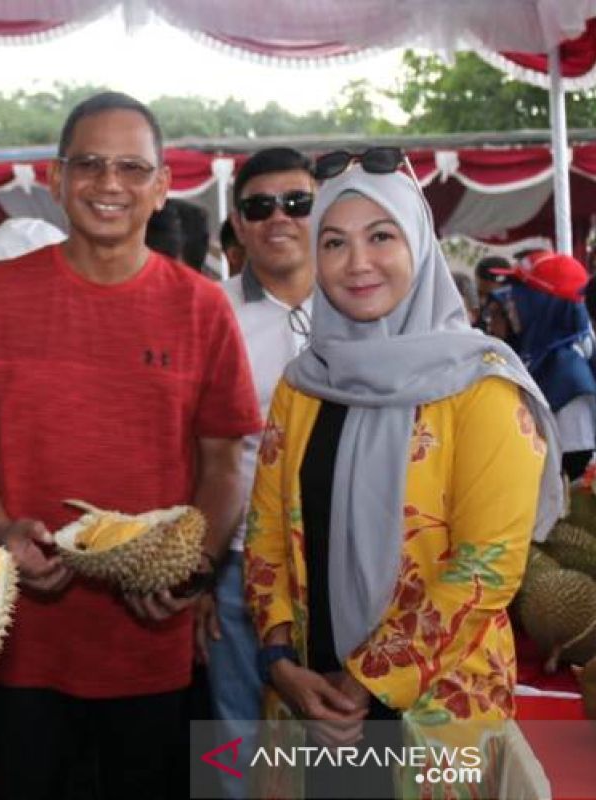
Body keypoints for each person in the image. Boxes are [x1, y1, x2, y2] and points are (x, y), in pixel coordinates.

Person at [0, 91, 261, 800]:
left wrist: (191, 568)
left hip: (149, 643)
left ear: (160, 186)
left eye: (129, 167)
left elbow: (225, 460)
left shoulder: (201, 306)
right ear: (55, 180)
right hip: (23, 637)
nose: (108, 185)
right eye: (87, 165)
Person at [244, 162, 563, 797]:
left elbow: (487, 568)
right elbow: (266, 539)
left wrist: (363, 680)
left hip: (439, 713)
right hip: (309, 704)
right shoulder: (303, 385)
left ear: (419, 243)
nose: (357, 262)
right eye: (334, 241)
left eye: (382, 236)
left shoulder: (484, 389)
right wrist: (281, 661)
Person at [211, 146, 316, 798]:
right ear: (240, 224)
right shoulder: (211, 311)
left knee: (347, 728)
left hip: (347, 560)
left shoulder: (363, 300)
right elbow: (191, 447)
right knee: (230, 730)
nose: (279, 217)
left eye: (297, 202)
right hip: (238, 561)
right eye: (259, 206)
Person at [498, 252, 596, 480]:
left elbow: (576, 465)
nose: (510, 305)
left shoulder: (566, 371)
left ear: (542, 304)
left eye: (519, 296)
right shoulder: (538, 358)